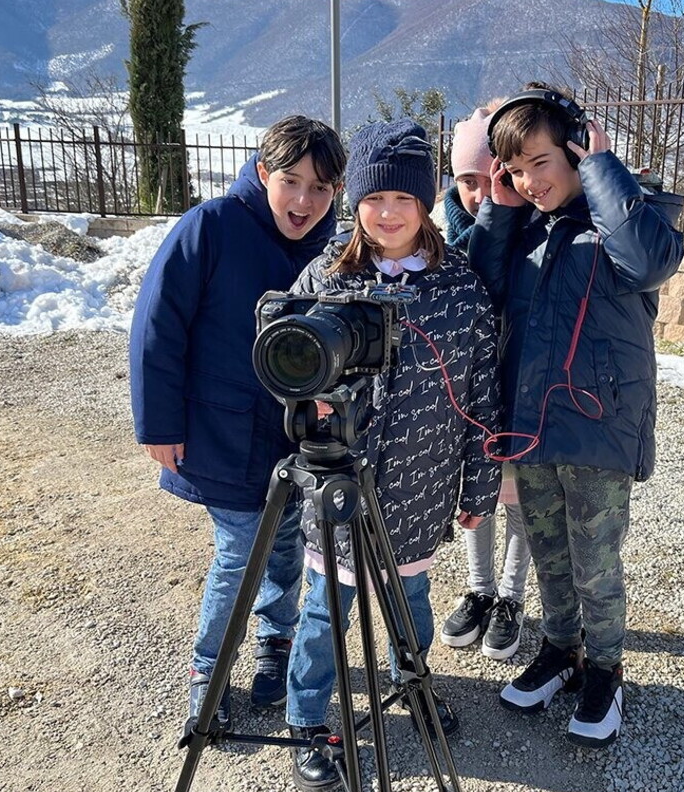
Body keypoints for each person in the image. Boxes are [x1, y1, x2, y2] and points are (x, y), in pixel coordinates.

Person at [282, 119, 501, 791]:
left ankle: (412, 681)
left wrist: (480, 489)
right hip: (338, 481)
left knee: (411, 601)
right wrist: (308, 406)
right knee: (325, 610)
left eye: (403, 198)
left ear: (425, 201)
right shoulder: (325, 275)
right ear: (357, 200)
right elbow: (283, 361)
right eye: (375, 198)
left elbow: (483, 395)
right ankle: (306, 719)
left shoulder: (460, 289)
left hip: (420, 487)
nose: (388, 213)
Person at [468, 83, 684, 748]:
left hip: (598, 425)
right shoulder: (524, 229)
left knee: (595, 560)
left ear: (574, 147)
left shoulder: (629, 214)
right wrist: (499, 212)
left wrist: (602, 170)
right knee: (550, 554)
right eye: (515, 170)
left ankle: (605, 670)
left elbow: (649, 262)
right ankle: (561, 650)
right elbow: (478, 290)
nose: (530, 181)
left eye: (542, 162)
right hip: (532, 422)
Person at [129, 116, 347, 735]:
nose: (304, 201)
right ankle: (209, 669)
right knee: (239, 556)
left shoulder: (334, 250)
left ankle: (276, 640)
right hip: (220, 432)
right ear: (261, 172)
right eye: (291, 181)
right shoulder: (213, 225)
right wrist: (158, 424)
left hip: (295, 437)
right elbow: (157, 325)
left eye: (321, 188)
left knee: (287, 546)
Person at [438, 102, 532, 661]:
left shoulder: (535, 229)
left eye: (489, 178)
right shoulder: (443, 237)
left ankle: (512, 597)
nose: (478, 194)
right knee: (476, 492)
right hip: (470, 391)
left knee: (520, 496)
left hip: (521, 386)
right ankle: (480, 588)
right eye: (466, 181)